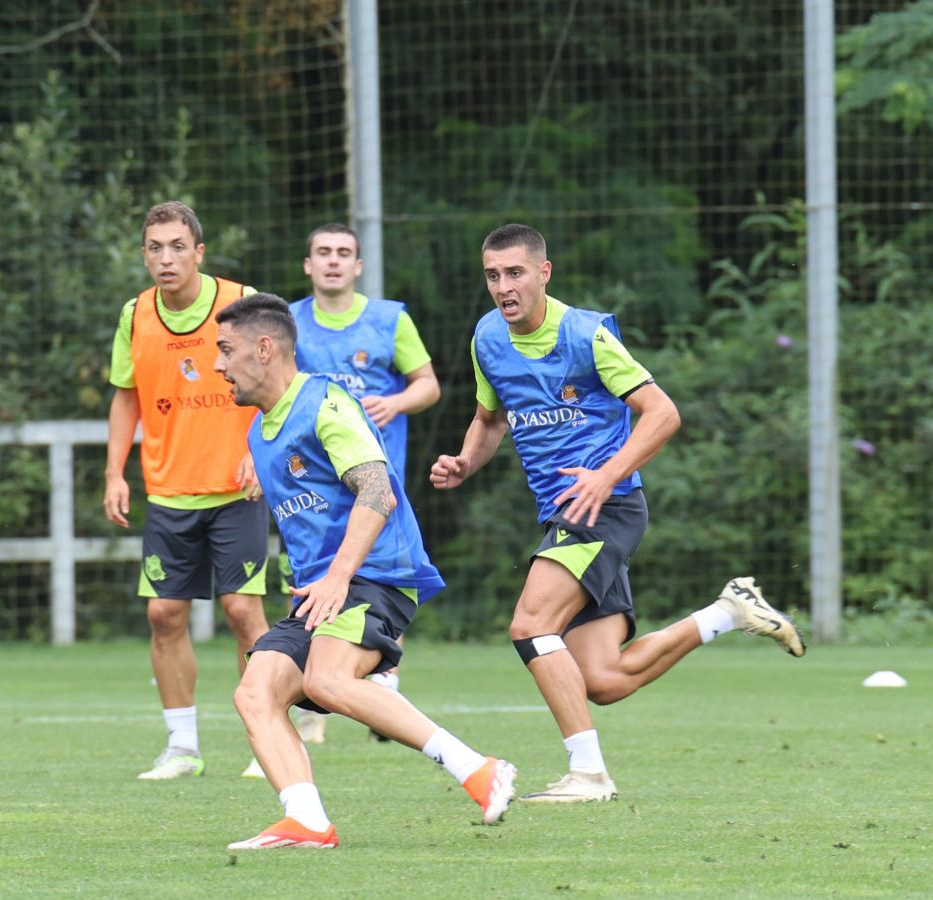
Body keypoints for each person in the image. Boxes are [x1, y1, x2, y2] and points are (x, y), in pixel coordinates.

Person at [430, 223, 806, 803]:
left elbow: (662, 413)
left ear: (543, 272)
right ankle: (728, 613)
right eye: (492, 275)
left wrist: (605, 475)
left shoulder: (586, 335)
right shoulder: (487, 338)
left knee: (531, 625)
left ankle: (588, 775)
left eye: (515, 273)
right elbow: (489, 419)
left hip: (605, 507)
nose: (503, 286)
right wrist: (463, 462)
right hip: (567, 512)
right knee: (603, 679)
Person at [214, 294, 515, 849]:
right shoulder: (260, 431)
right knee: (255, 693)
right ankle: (305, 820)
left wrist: (335, 576)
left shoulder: (326, 402)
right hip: (323, 592)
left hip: (375, 573)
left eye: (225, 350)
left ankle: (477, 767)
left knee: (328, 680)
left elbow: (378, 492)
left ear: (263, 349)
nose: (217, 364)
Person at [104, 201, 270, 780]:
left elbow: (280, 383)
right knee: (164, 614)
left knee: (243, 610)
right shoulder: (135, 315)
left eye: (178, 246)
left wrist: (260, 452)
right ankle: (182, 748)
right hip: (169, 493)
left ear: (200, 252)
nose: (166, 258)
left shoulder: (241, 303)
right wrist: (113, 472)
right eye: (156, 247)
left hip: (235, 488)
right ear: (145, 254)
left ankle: (266, 739)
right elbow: (125, 395)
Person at [286, 223, 441, 744]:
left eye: (344, 253)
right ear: (308, 265)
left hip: (374, 483)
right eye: (323, 252)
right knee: (311, 573)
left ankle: (382, 677)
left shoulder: (388, 320)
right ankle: (312, 706)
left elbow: (428, 384)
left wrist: (396, 401)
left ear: (358, 266)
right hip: (309, 487)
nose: (333, 260)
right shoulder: (289, 323)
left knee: (380, 578)